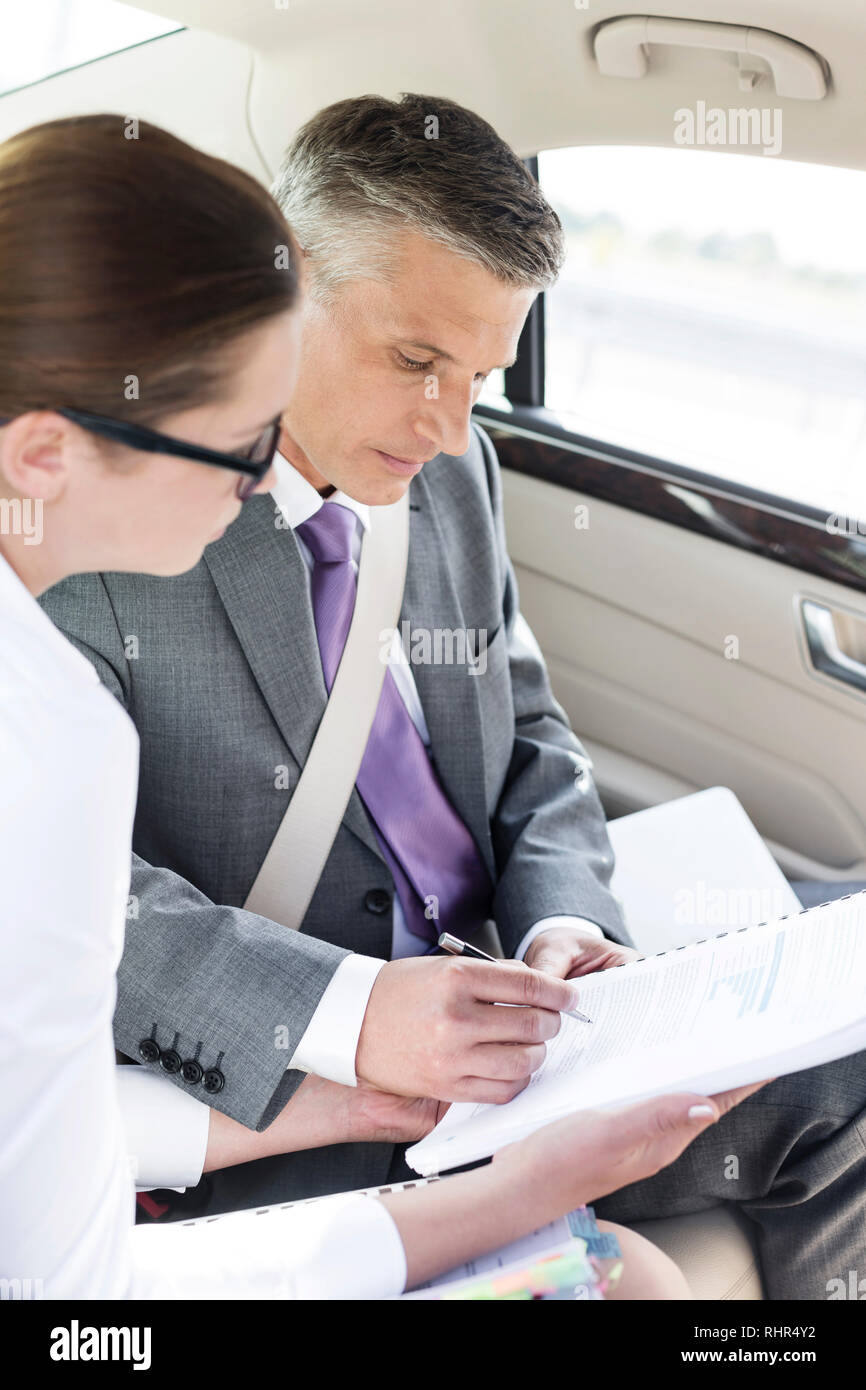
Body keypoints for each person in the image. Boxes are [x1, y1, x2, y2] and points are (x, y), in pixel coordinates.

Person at [40, 97, 866, 1301]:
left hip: (545, 1010)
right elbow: (65, 893)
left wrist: (563, 924)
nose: (445, 423)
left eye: (479, 373)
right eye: (415, 359)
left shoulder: (454, 470)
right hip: (314, 1088)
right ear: (285, 282)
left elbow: (527, 731)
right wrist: (353, 1011)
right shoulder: (112, 521)